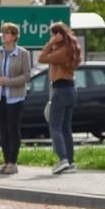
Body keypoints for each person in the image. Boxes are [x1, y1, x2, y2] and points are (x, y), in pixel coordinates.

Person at [38, 21, 83, 175]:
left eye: (53, 35)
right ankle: (70, 163)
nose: (52, 38)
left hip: (61, 89)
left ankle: (62, 159)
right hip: (70, 88)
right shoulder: (71, 49)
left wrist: (51, 43)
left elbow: (42, 58)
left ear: (58, 35)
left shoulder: (62, 52)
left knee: (55, 126)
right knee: (65, 128)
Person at [0, 22, 31, 174]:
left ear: (14, 36)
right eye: (1, 33)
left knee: (12, 128)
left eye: (6, 33)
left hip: (15, 97)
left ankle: (13, 162)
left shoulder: (23, 53)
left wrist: (8, 82)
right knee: (3, 130)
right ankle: (5, 162)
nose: (2, 36)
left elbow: (26, 76)